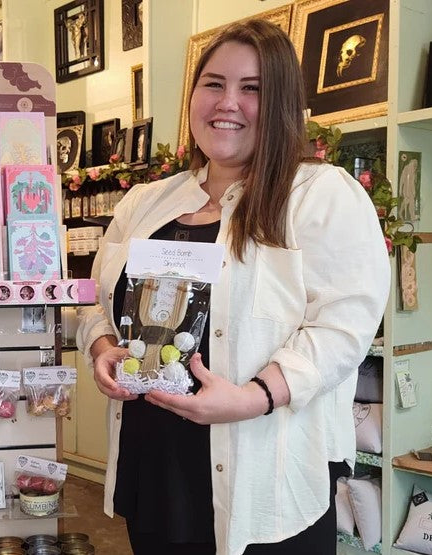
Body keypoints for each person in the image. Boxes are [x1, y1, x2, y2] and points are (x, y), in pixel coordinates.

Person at [76, 19, 390, 555]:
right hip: (154, 467)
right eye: (214, 84)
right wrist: (103, 347)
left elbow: (344, 326)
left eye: (253, 89)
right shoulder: (143, 202)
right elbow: (97, 305)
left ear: (282, 104)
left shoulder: (319, 195)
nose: (228, 103)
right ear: (193, 95)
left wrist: (252, 397)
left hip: (262, 474)